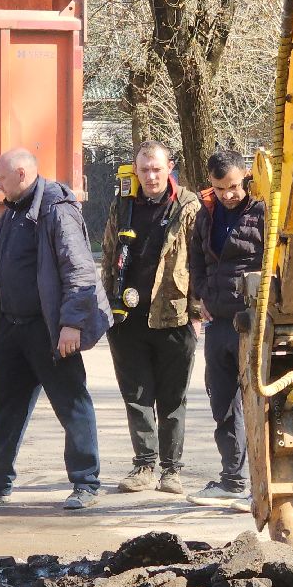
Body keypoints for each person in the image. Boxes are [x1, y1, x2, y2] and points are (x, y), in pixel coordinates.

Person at [0, 147, 111, 510]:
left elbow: (79, 270)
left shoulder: (57, 209)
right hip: (13, 327)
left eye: (1, 177)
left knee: (72, 405)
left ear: (22, 175)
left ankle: (86, 483)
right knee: (5, 406)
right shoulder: (12, 210)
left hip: (50, 328)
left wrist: (71, 324)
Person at [100, 140, 201, 495]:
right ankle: (144, 466)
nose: (151, 176)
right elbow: (109, 253)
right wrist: (107, 307)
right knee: (137, 396)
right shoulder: (123, 204)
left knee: (172, 398)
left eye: (157, 169)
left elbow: (199, 261)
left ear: (169, 167)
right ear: (136, 170)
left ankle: (171, 470)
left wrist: (197, 313)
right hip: (127, 319)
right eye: (145, 170)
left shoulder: (188, 206)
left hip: (174, 317)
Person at [186, 148, 265, 510]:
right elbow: (196, 259)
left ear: (245, 177)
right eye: (220, 189)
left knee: (259, 404)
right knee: (223, 403)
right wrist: (201, 293)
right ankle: (232, 481)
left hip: (253, 322)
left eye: (233, 186)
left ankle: (261, 486)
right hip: (218, 322)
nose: (228, 195)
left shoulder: (265, 213)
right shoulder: (207, 213)